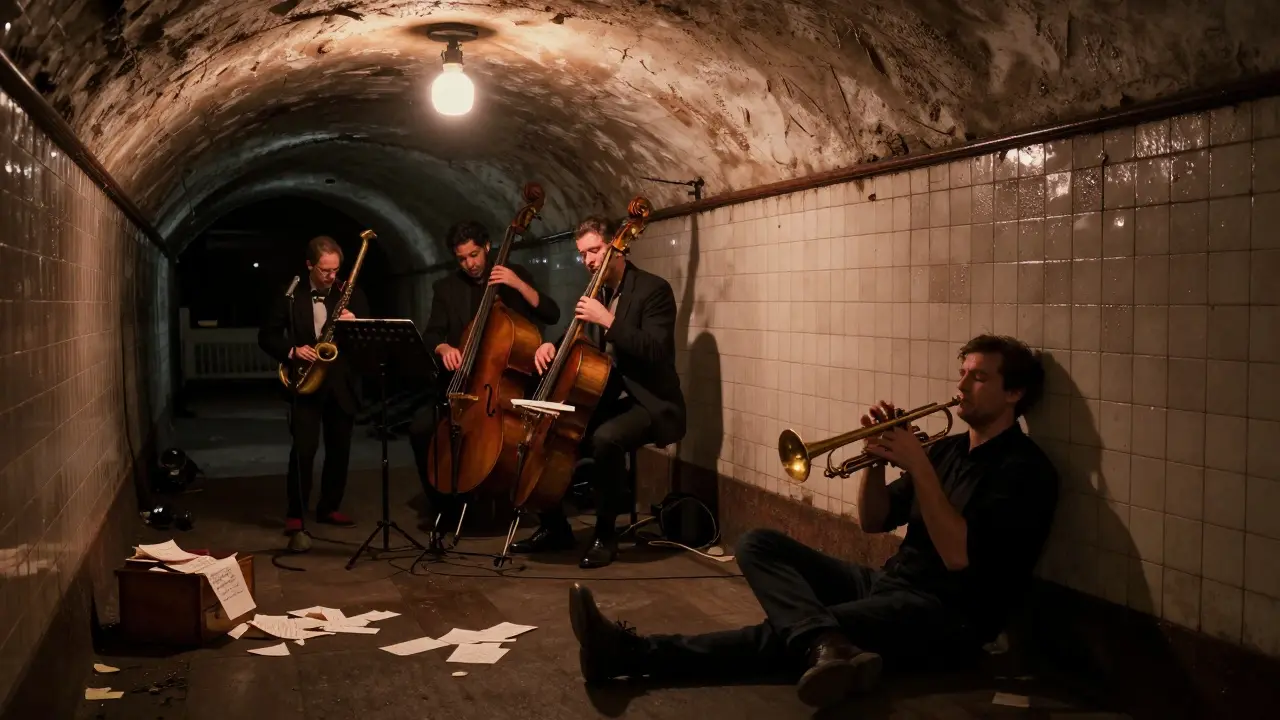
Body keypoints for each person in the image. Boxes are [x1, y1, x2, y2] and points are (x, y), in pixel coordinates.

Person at [566, 334, 1059, 708]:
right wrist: (878, 459)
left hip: (947, 616)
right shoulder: (949, 448)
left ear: (1013, 394)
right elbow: (873, 520)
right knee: (758, 543)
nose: (960, 386)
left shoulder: (1025, 470)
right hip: (888, 583)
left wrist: (920, 465)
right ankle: (826, 644)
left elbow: (958, 557)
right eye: (963, 373)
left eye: (978, 377)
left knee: (787, 633)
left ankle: (634, 654)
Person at [510, 215, 687, 569]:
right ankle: (554, 526)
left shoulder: (653, 289)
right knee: (555, 430)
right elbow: (577, 339)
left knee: (606, 439)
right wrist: (550, 347)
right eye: (583, 254)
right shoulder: (597, 292)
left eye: (595, 251)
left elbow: (657, 350)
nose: (589, 260)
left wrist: (608, 320)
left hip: (649, 401)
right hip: (608, 396)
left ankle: (605, 535)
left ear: (618, 248)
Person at [408, 220, 561, 532]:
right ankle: (443, 507)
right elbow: (431, 333)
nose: (470, 264)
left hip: (502, 389)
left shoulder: (514, 278)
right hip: (462, 386)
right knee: (420, 429)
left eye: (474, 255)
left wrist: (518, 283)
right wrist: (444, 347)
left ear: (487, 247)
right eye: (462, 258)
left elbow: (551, 313)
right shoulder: (446, 289)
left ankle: (510, 501)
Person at [258, 235, 371, 532]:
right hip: (305, 381)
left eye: (336, 270)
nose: (332, 277)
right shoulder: (290, 295)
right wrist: (292, 351)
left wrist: (355, 323)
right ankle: (296, 511)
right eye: (325, 271)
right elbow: (266, 336)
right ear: (309, 265)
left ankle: (329, 507)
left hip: (341, 383)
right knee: (304, 450)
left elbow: (369, 340)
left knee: (339, 451)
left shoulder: (350, 293)